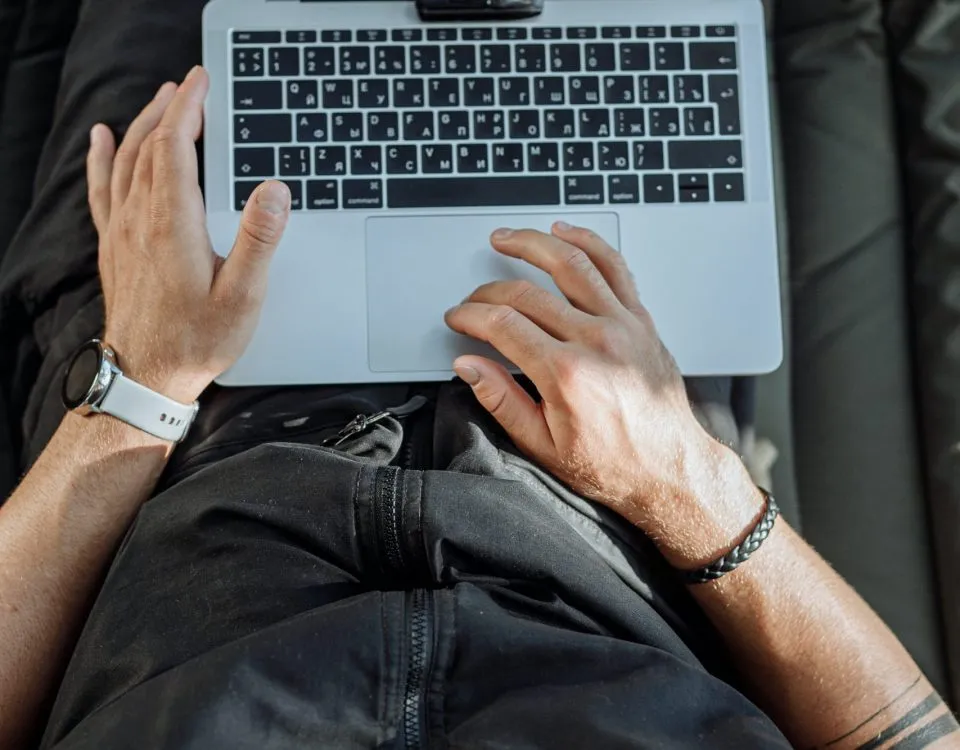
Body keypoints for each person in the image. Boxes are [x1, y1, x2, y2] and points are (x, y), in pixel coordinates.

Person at [0, 3, 957, 749]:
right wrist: (684, 479)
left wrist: (138, 389)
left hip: (171, 429)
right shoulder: (661, 473)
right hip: (615, 462)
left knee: (202, 55)